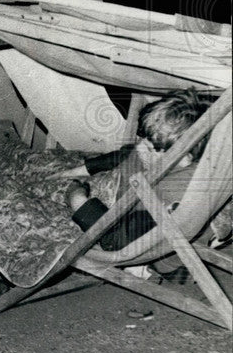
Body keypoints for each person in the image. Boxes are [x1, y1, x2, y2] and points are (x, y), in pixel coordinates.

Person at [55, 88, 214, 252]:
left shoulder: (172, 198)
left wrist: (77, 198)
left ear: (184, 158)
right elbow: (128, 154)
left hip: (121, 232)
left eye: (149, 148)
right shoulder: (168, 156)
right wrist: (76, 171)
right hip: (113, 191)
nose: (139, 148)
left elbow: (114, 240)